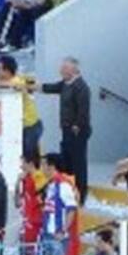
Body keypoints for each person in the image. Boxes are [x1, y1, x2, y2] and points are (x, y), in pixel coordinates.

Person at [41, 57, 91, 200]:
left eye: (65, 68)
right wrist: (35, 86)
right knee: (67, 160)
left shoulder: (81, 87)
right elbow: (51, 87)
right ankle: (68, 189)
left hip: (76, 131)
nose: (61, 71)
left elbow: (83, 111)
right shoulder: (65, 84)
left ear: (74, 70)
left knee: (78, 162)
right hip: (66, 129)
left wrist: (77, 125)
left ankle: (81, 193)